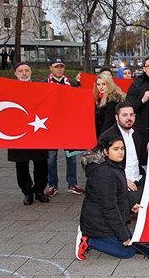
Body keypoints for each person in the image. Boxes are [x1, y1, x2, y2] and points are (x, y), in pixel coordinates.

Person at [75, 136, 149, 260]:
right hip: (98, 224)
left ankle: (109, 237)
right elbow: (109, 208)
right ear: (106, 152)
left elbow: (119, 192)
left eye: (122, 148)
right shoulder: (104, 173)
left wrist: (131, 204)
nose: (120, 152)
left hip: (107, 220)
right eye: (115, 149)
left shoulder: (112, 166)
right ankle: (88, 240)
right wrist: (122, 236)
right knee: (127, 252)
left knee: (134, 244)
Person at [43, 57, 84, 196]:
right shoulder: (43, 84)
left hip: (68, 126)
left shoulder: (72, 83)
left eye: (61, 66)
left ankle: (72, 183)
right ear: (51, 68)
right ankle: (52, 185)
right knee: (51, 158)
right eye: (56, 67)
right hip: (51, 127)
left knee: (71, 157)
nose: (59, 69)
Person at [10, 62, 50, 205]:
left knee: (41, 163)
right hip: (18, 134)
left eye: (27, 70)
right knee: (21, 165)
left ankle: (39, 190)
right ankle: (27, 192)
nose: (24, 73)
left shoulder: (41, 88)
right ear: (15, 73)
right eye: (21, 71)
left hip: (38, 130)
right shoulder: (8, 88)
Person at [99, 102, 147, 209]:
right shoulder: (108, 137)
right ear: (117, 117)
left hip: (139, 179)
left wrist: (148, 150)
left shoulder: (137, 134)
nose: (129, 118)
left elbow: (143, 160)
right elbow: (100, 166)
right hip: (120, 183)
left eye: (131, 115)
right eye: (124, 115)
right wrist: (123, 179)